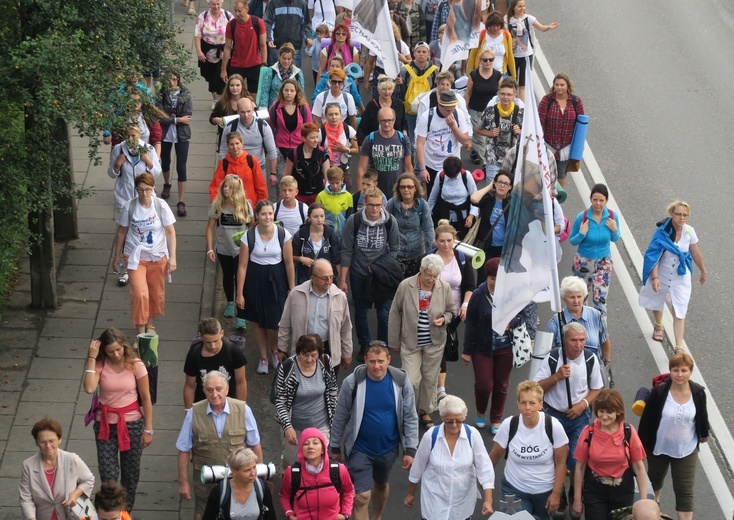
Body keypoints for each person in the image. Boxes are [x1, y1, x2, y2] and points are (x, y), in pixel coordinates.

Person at [330, 343, 419, 520]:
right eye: (372, 361)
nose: (376, 366)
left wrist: (410, 449)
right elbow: (340, 415)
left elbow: (410, 416)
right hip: (359, 449)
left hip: (388, 449)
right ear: (365, 361)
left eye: (380, 361)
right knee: (361, 497)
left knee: (381, 484)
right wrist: (334, 447)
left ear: (388, 360)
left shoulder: (401, 382)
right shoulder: (352, 382)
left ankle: (376, 517)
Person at [533, 322, 604, 518]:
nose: (578, 345)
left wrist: (583, 404)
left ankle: (575, 493)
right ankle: (560, 494)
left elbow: (597, 388)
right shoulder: (554, 357)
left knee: (576, 461)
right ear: (565, 341)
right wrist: (556, 377)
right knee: (556, 461)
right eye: (573, 340)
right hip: (553, 417)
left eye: (582, 340)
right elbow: (536, 388)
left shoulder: (591, 359)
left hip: (578, 419)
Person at [82, 328, 154, 511]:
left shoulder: (135, 364)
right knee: (108, 476)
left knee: (130, 475)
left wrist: (148, 429)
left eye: (118, 349)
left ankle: (125, 513)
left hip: (132, 424)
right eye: (110, 351)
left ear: (124, 346)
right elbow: (90, 388)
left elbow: (146, 398)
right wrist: (92, 357)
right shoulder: (100, 364)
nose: (115, 354)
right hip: (105, 425)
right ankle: (112, 513)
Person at [176, 371, 263, 520]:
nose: (214, 394)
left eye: (218, 389)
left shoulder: (243, 410)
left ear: (227, 389)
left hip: (238, 482)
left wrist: (260, 477)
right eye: (209, 390)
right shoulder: (194, 412)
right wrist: (183, 482)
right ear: (204, 391)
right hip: (206, 484)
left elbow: (255, 445)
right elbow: (184, 450)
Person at [638, 353, 709, 520]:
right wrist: (640, 446)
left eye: (684, 370)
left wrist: (704, 432)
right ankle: (654, 513)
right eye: (675, 370)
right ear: (670, 371)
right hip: (659, 447)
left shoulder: (698, 392)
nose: (679, 374)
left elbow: (702, 415)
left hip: (687, 449)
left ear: (691, 372)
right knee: (654, 482)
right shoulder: (660, 392)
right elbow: (647, 421)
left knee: (684, 490)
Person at [462, 257, 529, 433]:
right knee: (484, 385)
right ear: (487, 277)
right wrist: (467, 351)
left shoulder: (512, 293)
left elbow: (523, 315)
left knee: (502, 385)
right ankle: (481, 411)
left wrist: (511, 323)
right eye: (493, 277)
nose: (496, 281)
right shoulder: (478, 294)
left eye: (500, 277)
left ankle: (496, 419)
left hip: (506, 347)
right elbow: (470, 323)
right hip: (482, 348)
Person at [389, 254, 456, 429]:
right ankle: (410, 410)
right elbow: (395, 312)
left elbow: (452, 310)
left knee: (429, 379)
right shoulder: (406, 285)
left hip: (434, 343)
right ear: (421, 269)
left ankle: (424, 410)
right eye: (429, 275)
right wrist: (393, 342)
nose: (432, 280)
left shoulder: (444, 287)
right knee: (411, 380)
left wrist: (444, 319)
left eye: (435, 276)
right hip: (410, 342)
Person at [489, 381, 569, 520]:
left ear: (540, 404)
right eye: (523, 403)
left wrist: (556, 493)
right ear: (517, 404)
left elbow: (561, 462)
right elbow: (494, 456)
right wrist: (486, 488)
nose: (527, 408)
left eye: (532, 403)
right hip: (514, 490)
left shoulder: (553, 426)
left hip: (545, 492)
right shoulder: (509, 425)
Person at [405, 395, 494, 518]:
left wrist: (488, 500)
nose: (454, 425)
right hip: (434, 503)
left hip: (462, 504)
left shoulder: (473, 435)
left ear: (464, 417)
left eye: (458, 420)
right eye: (449, 420)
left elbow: (484, 467)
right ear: (442, 417)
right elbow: (418, 467)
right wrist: (411, 494)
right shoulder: (431, 436)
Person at [339, 187, 401, 359]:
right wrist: (343, 280)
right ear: (364, 203)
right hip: (358, 274)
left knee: (383, 313)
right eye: (371, 205)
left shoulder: (390, 221)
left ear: (383, 204)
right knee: (360, 311)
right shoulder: (354, 221)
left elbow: (395, 249)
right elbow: (346, 250)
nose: (374, 209)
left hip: (381, 275)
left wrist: (378, 266)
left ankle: (382, 345)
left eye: (378, 205)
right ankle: (365, 345)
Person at [236, 200, 295, 373]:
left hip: (276, 279)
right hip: (255, 279)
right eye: (263, 214)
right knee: (258, 321)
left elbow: (289, 263)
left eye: (270, 214)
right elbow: (242, 266)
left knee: (275, 322)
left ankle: (274, 351)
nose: (267, 217)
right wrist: (239, 293)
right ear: (257, 216)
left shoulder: (283, 234)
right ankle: (263, 357)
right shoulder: (249, 236)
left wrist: (292, 288)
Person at [114, 173, 176, 334]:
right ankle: (141, 331)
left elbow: (170, 232)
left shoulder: (160, 205)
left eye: (148, 189)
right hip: (135, 257)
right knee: (140, 294)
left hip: (157, 255)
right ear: (136, 190)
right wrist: (117, 256)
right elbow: (122, 231)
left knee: (155, 293)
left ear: (153, 187)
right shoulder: (130, 207)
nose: (144, 193)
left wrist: (173, 257)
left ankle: (150, 324)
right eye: (140, 190)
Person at [639, 201, 706, 351]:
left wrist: (703, 270)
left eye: (685, 215)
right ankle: (659, 325)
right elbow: (653, 256)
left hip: (680, 276)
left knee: (680, 308)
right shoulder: (662, 232)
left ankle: (678, 346)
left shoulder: (689, 231)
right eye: (678, 214)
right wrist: (655, 278)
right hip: (662, 272)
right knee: (657, 298)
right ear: (672, 214)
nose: (681, 218)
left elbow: (695, 252)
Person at [572, 389, 648, 519]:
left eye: (609, 412)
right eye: (601, 411)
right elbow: (580, 468)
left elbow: (639, 467)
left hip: (623, 491)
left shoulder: (628, 431)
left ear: (618, 412)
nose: (604, 416)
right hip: (595, 492)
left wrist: (644, 500)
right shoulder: (588, 432)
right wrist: (577, 500)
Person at [273, 334, 339, 465]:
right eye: (305, 354)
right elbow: (280, 400)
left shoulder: (325, 363)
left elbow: (332, 390)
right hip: (295, 427)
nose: (309, 359)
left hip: (321, 425)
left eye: (314, 355)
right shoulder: (287, 368)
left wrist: (334, 420)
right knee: (292, 464)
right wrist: (287, 426)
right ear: (298, 352)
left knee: (317, 463)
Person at [278, 259, 353, 371]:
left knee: (328, 387)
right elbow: (285, 324)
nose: (329, 281)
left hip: (328, 351)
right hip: (302, 351)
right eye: (324, 278)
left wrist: (347, 353)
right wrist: (282, 349)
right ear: (312, 278)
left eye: (331, 277)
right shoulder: (296, 294)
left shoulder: (340, 297)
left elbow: (345, 328)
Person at [429, 219, 475, 401]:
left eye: (449, 241)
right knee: (437, 345)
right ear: (436, 241)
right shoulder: (430, 259)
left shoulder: (462, 259)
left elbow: (470, 284)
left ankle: (435, 383)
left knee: (440, 345)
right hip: (432, 310)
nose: (446, 244)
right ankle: (439, 388)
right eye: (442, 241)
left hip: (453, 313)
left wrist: (465, 305)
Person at [19, 418, 95, 520]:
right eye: (43, 442)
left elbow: (89, 479)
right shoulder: (28, 466)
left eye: (52, 441)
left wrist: (75, 494)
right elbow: (26, 499)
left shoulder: (71, 459)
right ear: (37, 443)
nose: (48, 446)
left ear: (59, 440)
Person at [206, 175, 254, 326]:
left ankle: (242, 314)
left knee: (241, 279)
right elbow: (209, 229)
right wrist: (209, 249)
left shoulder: (245, 206)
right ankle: (230, 303)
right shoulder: (217, 205)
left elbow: (252, 226)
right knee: (227, 277)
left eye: (230, 187)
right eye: (225, 186)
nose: (226, 189)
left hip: (241, 251)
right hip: (223, 248)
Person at [569, 183, 621, 318]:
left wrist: (614, 230)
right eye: (595, 200)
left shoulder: (612, 216)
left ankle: (600, 332)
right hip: (583, 263)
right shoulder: (583, 217)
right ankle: (581, 329)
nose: (598, 203)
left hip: (603, 262)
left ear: (606, 201)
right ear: (591, 199)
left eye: (601, 200)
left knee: (600, 300)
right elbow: (572, 240)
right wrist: (581, 233)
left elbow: (615, 238)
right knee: (580, 299)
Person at [280, 427, 355, 520]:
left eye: (315, 443)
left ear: (323, 449)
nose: (310, 446)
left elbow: (349, 491)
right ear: (301, 449)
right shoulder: (292, 472)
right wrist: (289, 513)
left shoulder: (338, 470)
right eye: (306, 443)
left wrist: (345, 514)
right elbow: (284, 495)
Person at [415, 90, 472, 195]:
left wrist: (453, 127)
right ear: (439, 105)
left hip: (453, 164)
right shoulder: (427, 116)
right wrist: (422, 168)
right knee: (434, 196)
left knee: (453, 195)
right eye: (447, 110)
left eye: (452, 110)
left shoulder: (458, 114)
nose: (450, 113)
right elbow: (420, 144)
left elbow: (465, 140)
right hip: (432, 165)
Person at [183, 318, 248, 408]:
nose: (213, 346)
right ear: (201, 337)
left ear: (222, 333)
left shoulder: (233, 352)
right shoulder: (194, 354)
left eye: (215, 341)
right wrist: (188, 411)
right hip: (203, 406)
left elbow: (241, 382)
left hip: (228, 406)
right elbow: (190, 386)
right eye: (208, 342)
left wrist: (241, 408)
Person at [546, 275, 611, 363]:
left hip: (592, 371)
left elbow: (604, 341)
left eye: (579, 297)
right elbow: (546, 352)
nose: (576, 301)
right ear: (564, 299)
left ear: (584, 297)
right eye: (572, 297)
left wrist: (605, 364)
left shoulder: (596, 315)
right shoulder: (555, 322)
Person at [504, 0, 559, 99]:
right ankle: (511, 104)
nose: (522, 8)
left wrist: (549, 27)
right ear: (513, 7)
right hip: (512, 56)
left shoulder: (528, 19)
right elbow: (504, 36)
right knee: (511, 83)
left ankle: (522, 107)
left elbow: (541, 28)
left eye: (524, 6)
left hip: (526, 56)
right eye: (519, 6)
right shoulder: (507, 20)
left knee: (522, 85)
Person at [538, 73, 585, 188]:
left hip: (566, 147)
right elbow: (539, 120)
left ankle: (558, 202)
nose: (559, 87)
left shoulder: (576, 101)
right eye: (556, 85)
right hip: (549, 145)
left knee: (561, 174)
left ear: (567, 86)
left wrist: (578, 147)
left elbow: (581, 124)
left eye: (562, 85)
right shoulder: (547, 100)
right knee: (545, 173)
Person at [203, 448, 276, 520]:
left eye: (254, 467)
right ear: (234, 472)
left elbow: (270, 516)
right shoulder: (219, 492)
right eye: (247, 470)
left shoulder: (262, 488)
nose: (253, 473)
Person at [156, 72, 193, 216]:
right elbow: (159, 116)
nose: (172, 82)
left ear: (179, 80)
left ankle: (181, 201)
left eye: (175, 79)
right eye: (169, 80)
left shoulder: (185, 94)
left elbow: (188, 114)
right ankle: (167, 184)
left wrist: (170, 116)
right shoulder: (160, 94)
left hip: (182, 134)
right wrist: (177, 119)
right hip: (165, 134)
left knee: (181, 166)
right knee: (165, 162)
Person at [108, 124, 162, 219]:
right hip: (124, 196)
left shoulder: (148, 149)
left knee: (143, 225)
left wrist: (148, 161)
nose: (130, 139)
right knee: (126, 227)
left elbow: (157, 173)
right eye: (127, 136)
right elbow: (111, 174)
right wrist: (117, 164)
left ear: (139, 134)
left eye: (133, 135)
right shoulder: (118, 149)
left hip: (144, 195)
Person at [218, 98, 278, 182]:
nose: (246, 115)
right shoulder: (230, 127)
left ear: (253, 110)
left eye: (248, 111)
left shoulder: (263, 126)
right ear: (237, 111)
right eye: (242, 112)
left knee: (259, 194)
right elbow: (223, 150)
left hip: (258, 169)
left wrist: (273, 173)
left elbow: (272, 150)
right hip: (235, 169)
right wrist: (222, 171)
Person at [386, 172, 434, 277]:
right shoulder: (391, 204)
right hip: (395, 256)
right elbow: (383, 227)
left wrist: (431, 253)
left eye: (409, 187)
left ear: (415, 188)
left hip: (417, 255)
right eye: (402, 187)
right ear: (398, 189)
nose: (406, 189)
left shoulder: (422, 205)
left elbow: (428, 228)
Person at [357, 106, 413, 195]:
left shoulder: (403, 139)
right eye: (383, 121)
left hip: (397, 191)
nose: (386, 124)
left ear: (394, 120)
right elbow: (362, 168)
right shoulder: (370, 139)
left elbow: (408, 167)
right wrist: (361, 194)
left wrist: (410, 189)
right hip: (375, 191)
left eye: (389, 120)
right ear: (379, 120)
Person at [469, 170, 512, 282]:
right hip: (485, 247)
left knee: (500, 280)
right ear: (495, 183)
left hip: (503, 249)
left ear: (510, 187)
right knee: (483, 279)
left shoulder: (512, 203)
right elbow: (474, 199)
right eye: (499, 182)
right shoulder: (488, 199)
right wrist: (489, 187)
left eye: (506, 184)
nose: (502, 185)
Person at [477, 76, 523, 179]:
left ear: (514, 96)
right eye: (502, 94)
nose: (505, 97)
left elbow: (530, 135)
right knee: (492, 188)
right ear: (498, 94)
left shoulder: (521, 112)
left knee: (508, 190)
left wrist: (520, 132)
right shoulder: (490, 110)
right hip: (493, 156)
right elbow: (478, 129)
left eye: (509, 94)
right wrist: (490, 133)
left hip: (513, 158)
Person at [268, 79, 313, 182]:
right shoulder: (275, 107)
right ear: (282, 91)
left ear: (296, 92)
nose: (289, 93)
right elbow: (270, 129)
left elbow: (309, 129)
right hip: (280, 149)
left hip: (299, 149)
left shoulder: (303, 108)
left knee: (299, 181)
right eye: (286, 90)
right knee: (283, 182)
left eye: (292, 91)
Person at [194, 0, 235, 109]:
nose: (216, 7)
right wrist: (199, 51)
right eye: (213, 4)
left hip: (224, 51)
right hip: (208, 52)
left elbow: (235, 32)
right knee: (210, 77)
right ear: (209, 4)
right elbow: (197, 35)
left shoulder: (228, 15)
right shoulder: (203, 16)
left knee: (222, 76)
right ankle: (215, 98)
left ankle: (222, 101)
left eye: (218, 4)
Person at [465, 48, 502, 166]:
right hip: (475, 110)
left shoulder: (497, 75)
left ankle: (484, 156)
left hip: (492, 112)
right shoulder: (474, 75)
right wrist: (465, 110)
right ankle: (485, 162)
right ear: (480, 61)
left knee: (491, 136)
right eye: (485, 60)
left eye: (490, 60)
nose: (488, 62)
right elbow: (468, 93)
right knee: (479, 138)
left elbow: (501, 94)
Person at [220, 0, 267, 92]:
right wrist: (223, 69)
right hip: (237, 65)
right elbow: (227, 47)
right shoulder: (231, 24)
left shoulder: (257, 22)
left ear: (247, 9)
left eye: (239, 11)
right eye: (235, 11)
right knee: (235, 94)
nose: (237, 14)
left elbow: (263, 45)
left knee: (254, 95)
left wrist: (264, 65)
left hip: (254, 65)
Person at [427, 156, 478, 241]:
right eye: (449, 176)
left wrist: (471, 216)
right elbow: (432, 198)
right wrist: (427, 216)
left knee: (463, 241)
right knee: (445, 240)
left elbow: (475, 198)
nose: (452, 178)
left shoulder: (466, 175)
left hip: (463, 217)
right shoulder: (440, 176)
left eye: (454, 176)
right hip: (445, 216)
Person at [210, 133, 268, 205]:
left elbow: (260, 184)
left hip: (250, 205)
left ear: (242, 144)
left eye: (237, 143)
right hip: (230, 205)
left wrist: (262, 204)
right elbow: (216, 185)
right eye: (231, 144)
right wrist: (215, 203)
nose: (235, 147)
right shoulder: (224, 163)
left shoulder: (251, 160)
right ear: (228, 146)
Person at [290, 203, 341, 284]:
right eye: (315, 217)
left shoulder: (330, 233)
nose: (319, 220)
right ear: (309, 218)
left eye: (322, 216)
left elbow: (337, 258)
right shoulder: (301, 234)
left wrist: (342, 281)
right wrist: (301, 259)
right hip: (305, 279)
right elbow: (290, 257)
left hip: (326, 280)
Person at [398, 42, 437, 143]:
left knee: (427, 138)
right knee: (410, 138)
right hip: (409, 110)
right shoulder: (405, 70)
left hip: (427, 110)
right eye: (418, 51)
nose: (421, 54)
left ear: (428, 54)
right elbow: (400, 91)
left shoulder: (435, 71)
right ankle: (411, 157)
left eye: (424, 52)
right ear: (414, 53)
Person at [283, 123, 331, 205]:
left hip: (318, 194)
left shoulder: (322, 153)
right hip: (298, 195)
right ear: (304, 138)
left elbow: (328, 177)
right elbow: (287, 176)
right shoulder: (293, 154)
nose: (316, 140)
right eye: (312, 138)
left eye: (317, 137)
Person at [364, 21, 412, 99]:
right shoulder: (377, 44)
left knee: (395, 102)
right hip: (380, 75)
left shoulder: (401, 44)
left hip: (395, 77)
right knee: (378, 102)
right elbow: (369, 62)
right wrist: (366, 81)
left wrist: (404, 60)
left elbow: (411, 63)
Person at [356, 76, 408, 146]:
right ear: (378, 89)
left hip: (396, 144)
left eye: (389, 89)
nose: (387, 92)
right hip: (375, 144)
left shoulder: (399, 104)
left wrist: (404, 134)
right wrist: (363, 145)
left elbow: (404, 124)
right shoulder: (371, 105)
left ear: (393, 90)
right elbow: (362, 128)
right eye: (384, 89)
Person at [318, 104, 358, 191]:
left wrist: (345, 149)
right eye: (330, 114)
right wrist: (324, 152)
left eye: (336, 114)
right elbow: (316, 151)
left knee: (348, 189)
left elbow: (356, 149)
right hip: (327, 169)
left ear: (341, 115)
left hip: (343, 167)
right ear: (326, 116)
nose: (334, 117)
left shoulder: (348, 129)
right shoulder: (321, 132)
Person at [264, 0, 312, 68]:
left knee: (295, 76)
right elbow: (268, 22)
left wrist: (308, 37)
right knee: (275, 75)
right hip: (276, 47)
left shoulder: (302, 4)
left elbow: (306, 23)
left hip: (295, 48)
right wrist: (269, 39)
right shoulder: (273, 3)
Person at [467, 10, 515, 77]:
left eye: (498, 26)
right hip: (481, 74)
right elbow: (472, 56)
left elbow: (510, 57)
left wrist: (514, 76)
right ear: (488, 25)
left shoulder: (507, 35)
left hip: (500, 74)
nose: (495, 28)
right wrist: (470, 74)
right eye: (493, 26)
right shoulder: (481, 34)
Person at [259, 43, 306, 110]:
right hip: (274, 110)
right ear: (279, 57)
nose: (286, 61)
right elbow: (265, 93)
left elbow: (301, 94)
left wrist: (302, 109)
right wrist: (263, 111)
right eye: (284, 58)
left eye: (289, 59)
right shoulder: (271, 71)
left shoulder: (298, 73)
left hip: (292, 110)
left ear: (292, 59)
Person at [210, 74, 249, 151]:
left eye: (238, 85)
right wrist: (216, 120)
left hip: (245, 141)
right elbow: (212, 118)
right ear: (228, 87)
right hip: (227, 142)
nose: (235, 88)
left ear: (242, 86)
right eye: (232, 85)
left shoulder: (249, 102)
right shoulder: (222, 102)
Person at [316, 166, 354, 237]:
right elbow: (317, 214)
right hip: (325, 233)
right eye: (332, 183)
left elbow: (349, 216)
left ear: (342, 180)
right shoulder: (321, 196)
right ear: (328, 181)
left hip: (342, 233)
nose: (335, 186)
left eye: (337, 183)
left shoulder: (348, 196)